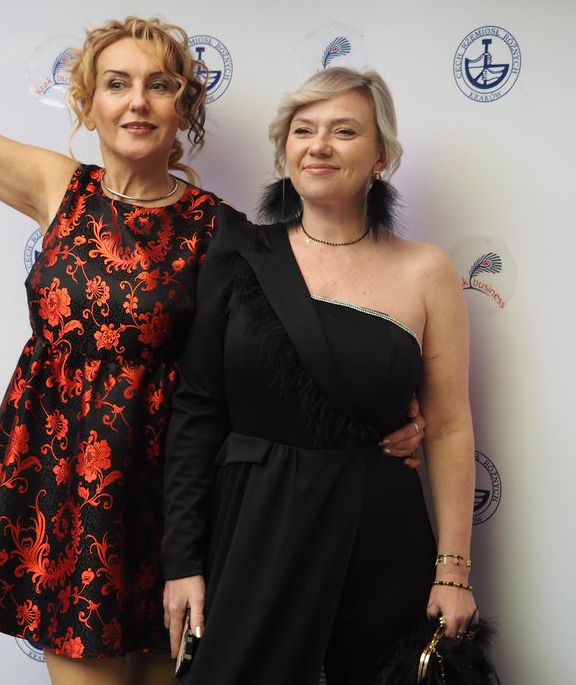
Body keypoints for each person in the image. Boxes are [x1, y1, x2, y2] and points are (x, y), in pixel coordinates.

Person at [0, 0, 428, 685]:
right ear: (88, 104)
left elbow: (288, 350)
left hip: (172, 497)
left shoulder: (223, 230)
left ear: (184, 109)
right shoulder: (57, 188)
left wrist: (384, 416)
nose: (137, 102)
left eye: (159, 85)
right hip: (62, 482)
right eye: (117, 84)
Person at [162, 67, 478, 684]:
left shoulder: (426, 270)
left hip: (379, 526)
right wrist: (183, 562)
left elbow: (447, 427)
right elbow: (198, 410)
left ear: (381, 155)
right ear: (285, 151)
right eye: (303, 130)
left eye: (345, 131)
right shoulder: (238, 253)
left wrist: (453, 572)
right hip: (256, 522)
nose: (320, 146)